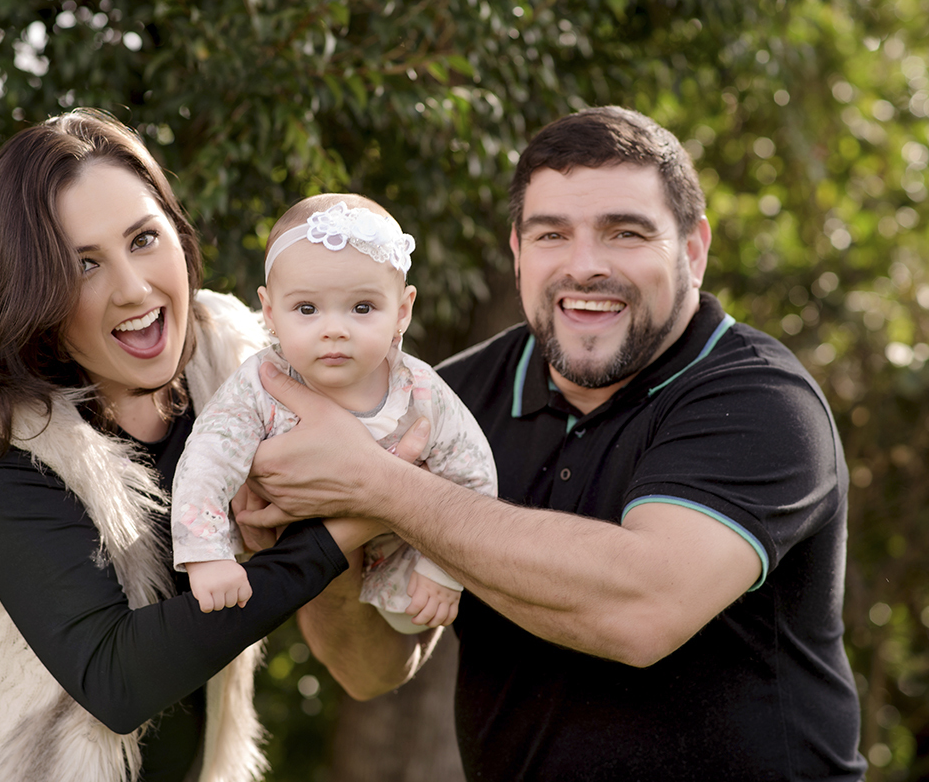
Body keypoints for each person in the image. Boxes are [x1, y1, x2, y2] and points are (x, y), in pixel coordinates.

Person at [240, 106, 867, 780]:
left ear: (691, 249)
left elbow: (641, 610)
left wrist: (385, 488)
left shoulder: (761, 402)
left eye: (624, 232)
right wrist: (323, 543)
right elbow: (372, 667)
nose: (584, 267)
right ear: (517, 251)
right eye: (551, 235)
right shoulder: (450, 399)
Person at [0, 109, 374, 782]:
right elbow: (116, 679)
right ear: (33, 293)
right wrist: (348, 526)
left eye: (143, 238)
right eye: (83, 264)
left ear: (177, 231)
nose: (133, 289)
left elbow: (380, 416)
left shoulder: (233, 361)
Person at [171, 194, 497, 633]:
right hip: (282, 551)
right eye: (307, 309)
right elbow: (207, 460)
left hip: (396, 543)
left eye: (362, 308)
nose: (334, 329)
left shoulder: (418, 389)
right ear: (270, 312)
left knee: (411, 616)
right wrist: (206, 553)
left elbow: (473, 469)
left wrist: (443, 568)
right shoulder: (261, 383)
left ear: (402, 310)